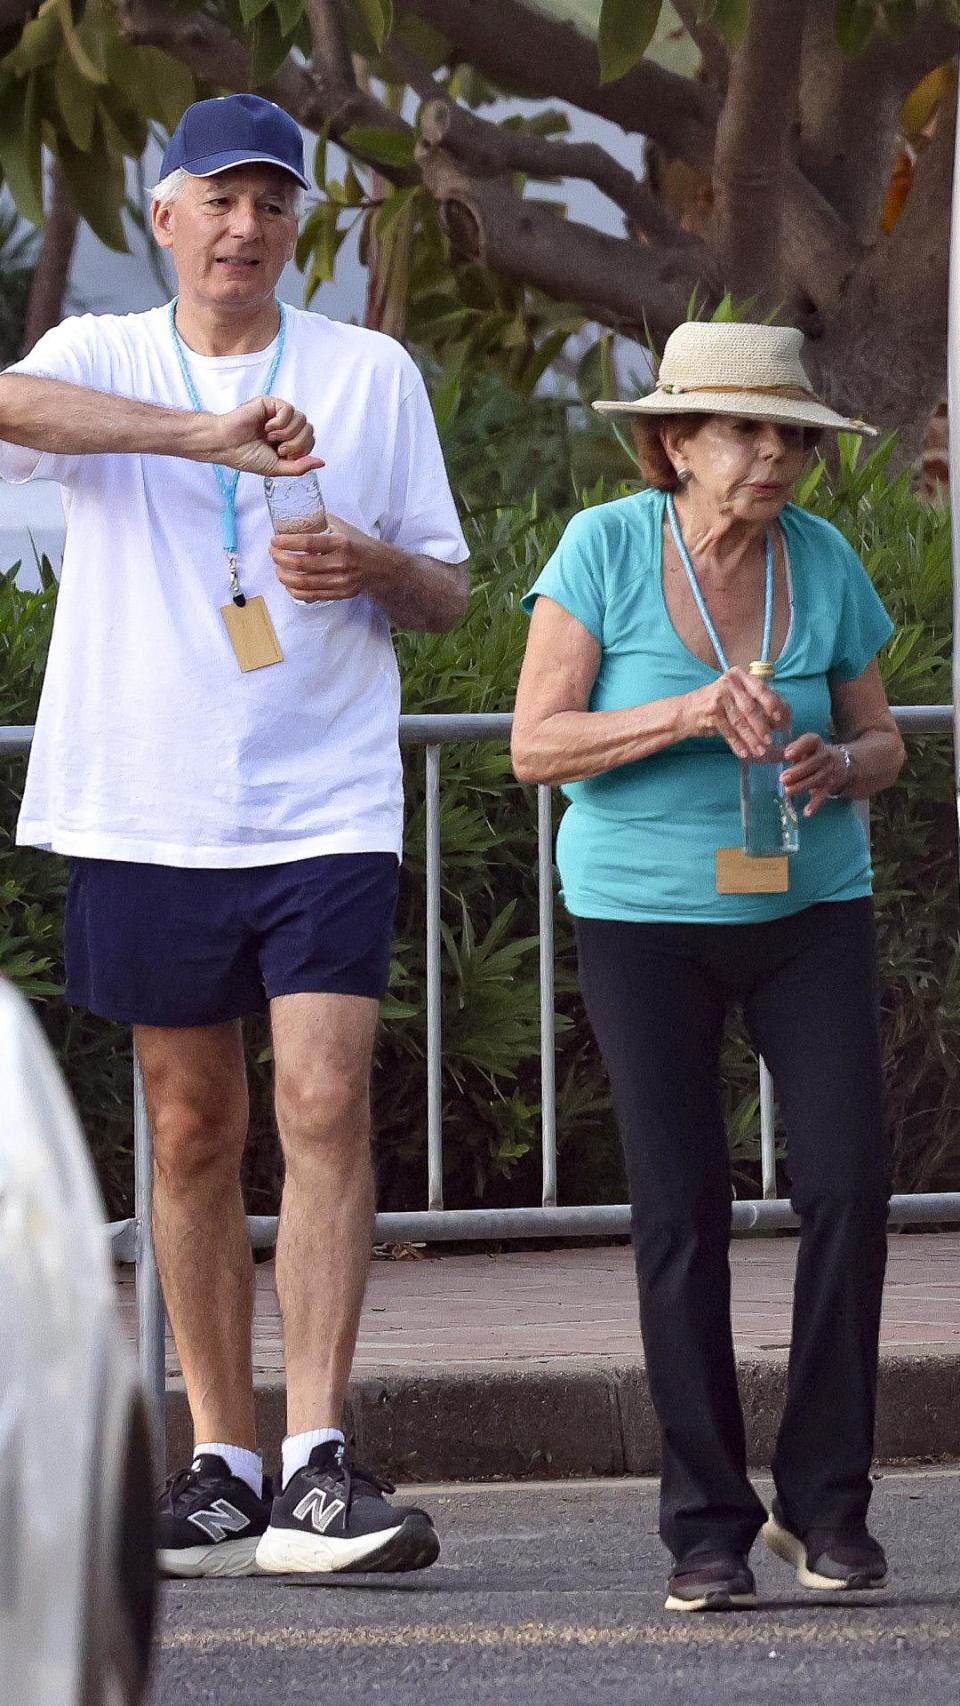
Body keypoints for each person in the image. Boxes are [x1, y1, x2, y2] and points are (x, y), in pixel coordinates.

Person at [0, 93, 469, 1578]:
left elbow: (449, 588)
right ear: (166, 217)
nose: (246, 227)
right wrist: (203, 433)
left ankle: (318, 1459)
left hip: (326, 797)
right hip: (147, 798)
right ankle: (223, 1462)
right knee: (192, 1123)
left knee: (323, 1101)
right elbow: (7, 407)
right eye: (219, 198)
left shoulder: (368, 371)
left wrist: (369, 563)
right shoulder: (101, 354)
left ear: (295, 225)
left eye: (272, 202)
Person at [511, 320, 905, 1613]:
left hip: (809, 904)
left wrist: (842, 764)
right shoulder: (605, 549)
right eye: (746, 430)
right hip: (641, 917)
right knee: (680, 1207)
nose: (774, 454)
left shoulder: (823, 558)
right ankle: (707, 1523)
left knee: (847, 1179)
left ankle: (827, 1505)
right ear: (676, 441)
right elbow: (534, 743)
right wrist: (688, 709)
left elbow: (885, 739)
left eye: (791, 433)